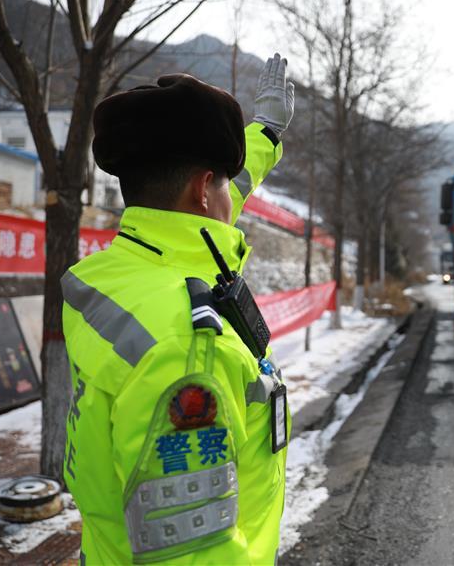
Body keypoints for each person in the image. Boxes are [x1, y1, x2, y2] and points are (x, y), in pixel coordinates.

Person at [61, 53, 295, 564]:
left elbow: (228, 188)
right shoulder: (187, 349)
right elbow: (190, 554)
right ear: (201, 190)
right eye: (221, 185)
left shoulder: (113, 277)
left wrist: (267, 134)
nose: (233, 197)